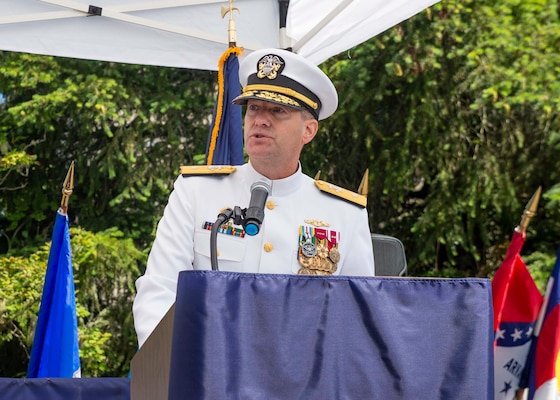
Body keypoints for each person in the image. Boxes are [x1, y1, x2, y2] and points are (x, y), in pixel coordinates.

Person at [133, 48, 375, 347]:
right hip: (208, 370)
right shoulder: (196, 191)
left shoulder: (344, 213)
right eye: (253, 109)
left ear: (308, 130)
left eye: (277, 111)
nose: (260, 120)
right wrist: (175, 366)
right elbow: (160, 289)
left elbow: (356, 313)